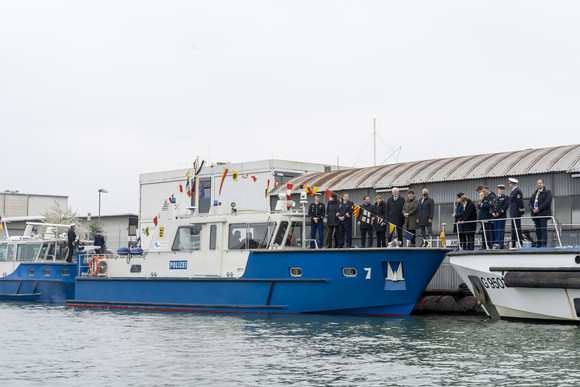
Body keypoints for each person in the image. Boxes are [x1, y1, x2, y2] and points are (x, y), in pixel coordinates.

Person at [528, 179, 552, 247]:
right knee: (538, 230)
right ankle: (539, 243)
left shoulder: (547, 192)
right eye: (538, 183)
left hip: (543, 214)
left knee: (543, 229)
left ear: (543, 184)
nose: (539, 184)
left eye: (540, 183)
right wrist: (532, 209)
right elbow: (530, 203)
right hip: (536, 215)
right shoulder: (535, 193)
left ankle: (544, 244)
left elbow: (547, 202)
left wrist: (539, 209)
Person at [491, 184, 510, 249]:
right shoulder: (494, 198)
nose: (501, 190)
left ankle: (500, 244)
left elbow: (505, 207)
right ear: (498, 190)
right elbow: (491, 207)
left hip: (501, 216)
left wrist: (498, 213)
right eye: (500, 189)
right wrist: (492, 212)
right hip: (494, 217)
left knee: (500, 231)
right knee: (495, 231)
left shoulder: (506, 198)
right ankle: (496, 243)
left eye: (503, 189)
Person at [508, 177, 525, 248]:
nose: (509, 185)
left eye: (509, 184)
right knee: (513, 228)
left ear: (512, 184)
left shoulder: (517, 191)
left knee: (517, 227)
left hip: (516, 212)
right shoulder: (513, 191)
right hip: (513, 212)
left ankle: (520, 243)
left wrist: (521, 211)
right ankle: (514, 244)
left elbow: (519, 202)